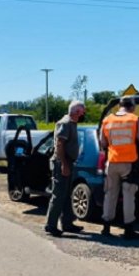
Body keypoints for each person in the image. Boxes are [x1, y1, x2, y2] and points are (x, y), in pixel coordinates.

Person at [99, 96, 139, 239]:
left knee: (110, 194)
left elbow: (103, 143)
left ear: (119, 106)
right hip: (128, 163)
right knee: (128, 196)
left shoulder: (107, 120)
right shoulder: (134, 120)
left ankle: (106, 227)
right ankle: (128, 229)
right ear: (132, 107)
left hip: (112, 162)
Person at [44, 100, 86, 237]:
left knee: (67, 195)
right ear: (76, 112)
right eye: (82, 112)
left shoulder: (72, 123)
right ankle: (51, 225)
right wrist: (63, 164)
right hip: (62, 162)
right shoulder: (66, 123)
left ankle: (67, 223)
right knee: (59, 195)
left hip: (68, 161)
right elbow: (60, 144)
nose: (83, 114)